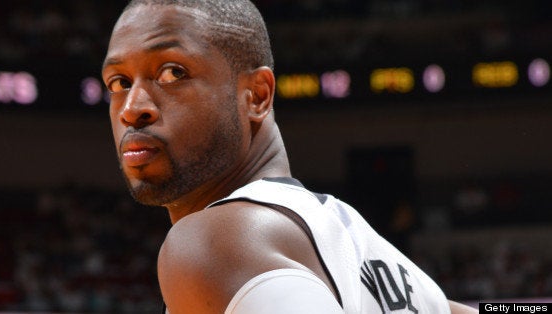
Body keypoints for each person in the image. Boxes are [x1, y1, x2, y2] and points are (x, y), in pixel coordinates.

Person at [102, 1, 479, 313]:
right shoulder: (365, 246)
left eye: (172, 72)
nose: (132, 109)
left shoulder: (211, 242)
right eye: (119, 83)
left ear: (257, 95)